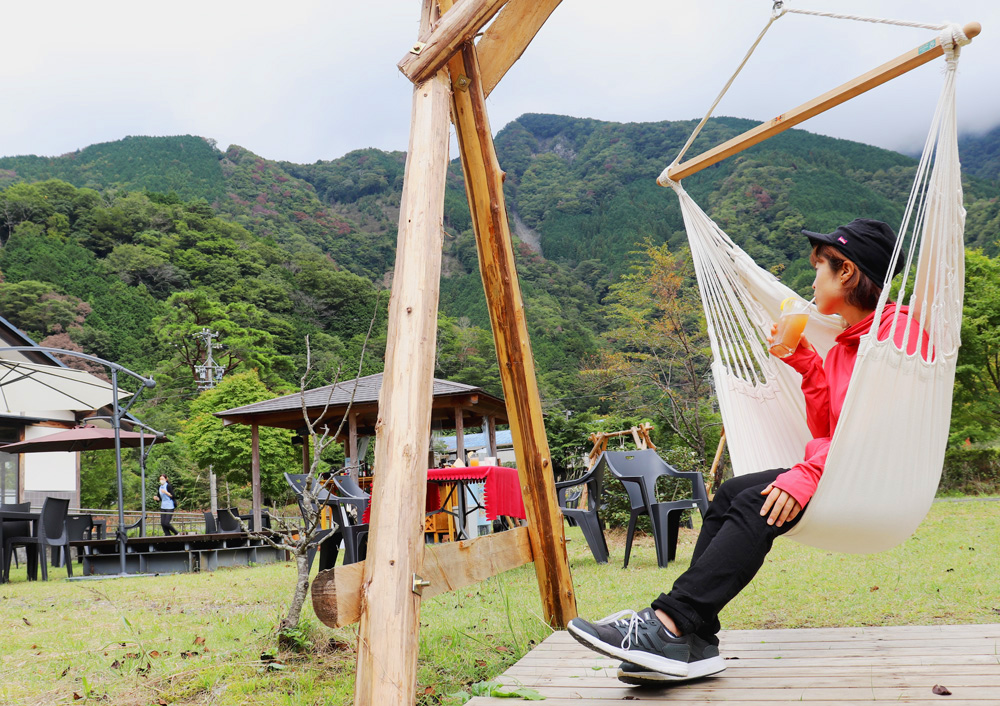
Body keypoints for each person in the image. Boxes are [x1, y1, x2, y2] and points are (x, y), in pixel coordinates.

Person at [568, 218, 929, 683]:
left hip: (872, 476)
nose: (812, 279)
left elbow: (878, 430)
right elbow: (827, 426)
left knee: (761, 502)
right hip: (840, 466)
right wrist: (808, 364)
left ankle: (668, 623)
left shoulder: (896, 335)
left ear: (846, 272)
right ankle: (695, 640)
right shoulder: (843, 348)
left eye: (819, 267)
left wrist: (809, 474)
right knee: (731, 493)